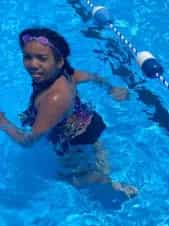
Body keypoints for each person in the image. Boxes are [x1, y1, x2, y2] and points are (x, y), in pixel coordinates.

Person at [0, 27, 136, 199]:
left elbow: (28, 141)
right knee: (97, 153)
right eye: (28, 57)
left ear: (59, 61)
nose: (33, 64)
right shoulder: (67, 74)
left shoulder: (54, 99)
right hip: (89, 123)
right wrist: (111, 88)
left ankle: (110, 184)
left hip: (71, 141)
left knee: (66, 177)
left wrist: (3, 123)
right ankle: (104, 167)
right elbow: (92, 77)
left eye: (42, 58)